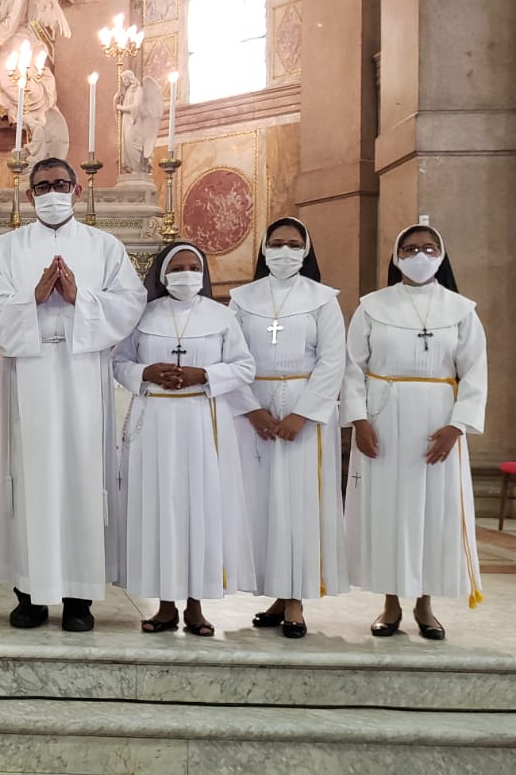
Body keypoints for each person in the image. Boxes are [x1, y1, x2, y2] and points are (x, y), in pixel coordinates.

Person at [0, 157, 146, 632]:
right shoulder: (7, 248)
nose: (52, 192)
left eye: (60, 184)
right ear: (29, 195)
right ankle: (29, 593)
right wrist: (32, 299)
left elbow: (130, 303)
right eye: (42, 186)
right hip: (28, 372)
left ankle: (79, 597)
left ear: (76, 190)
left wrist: (81, 299)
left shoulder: (104, 246)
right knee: (29, 480)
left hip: (81, 373)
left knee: (81, 477)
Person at [344, 224, 488, 641]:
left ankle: (425, 603)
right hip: (382, 421)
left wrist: (457, 426)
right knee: (387, 509)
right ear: (396, 256)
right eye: (409, 248)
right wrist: (359, 420)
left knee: (434, 511)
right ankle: (390, 602)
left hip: (436, 424)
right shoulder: (372, 306)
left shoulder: (461, 310)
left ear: (442, 254)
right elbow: (352, 368)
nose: (419, 255)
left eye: (428, 248)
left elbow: (475, 373)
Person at [110, 242, 256, 636]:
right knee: (159, 507)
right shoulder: (142, 316)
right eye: (178, 267)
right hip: (154, 419)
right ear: (162, 274)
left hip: (201, 421)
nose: (187, 274)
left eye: (194, 267)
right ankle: (163, 605)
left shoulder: (222, 316)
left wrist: (204, 375)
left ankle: (195, 605)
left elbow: (245, 366)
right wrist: (147, 372)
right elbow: (118, 363)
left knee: (198, 507)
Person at [228, 217, 347, 639]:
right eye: (276, 243)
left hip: (304, 412)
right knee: (263, 505)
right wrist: (251, 409)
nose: (284, 251)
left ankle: (296, 599)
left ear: (306, 249)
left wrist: (305, 412)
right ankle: (276, 593)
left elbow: (334, 360)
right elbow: (230, 354)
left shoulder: (323, 299)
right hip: (255, 411)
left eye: (293, 244)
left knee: (299, 503)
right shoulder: (242, 298)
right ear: (263, 249)